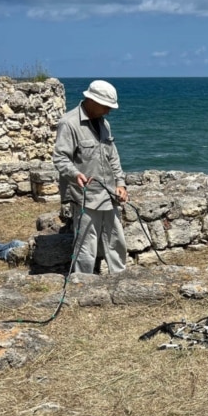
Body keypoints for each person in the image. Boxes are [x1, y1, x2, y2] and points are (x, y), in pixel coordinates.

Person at [53, 79, 128, 275]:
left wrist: (120, 183)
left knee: (115, 237)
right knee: (86, 242)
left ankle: (119, 276)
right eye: (106, 107)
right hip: (84, 195)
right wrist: (74, 174)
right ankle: (83, 281)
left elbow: (113, 156)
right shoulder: (68, 124)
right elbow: (60, 158)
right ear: (92, 101)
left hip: (109, 192)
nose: (109, 111)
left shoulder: (105, 124)